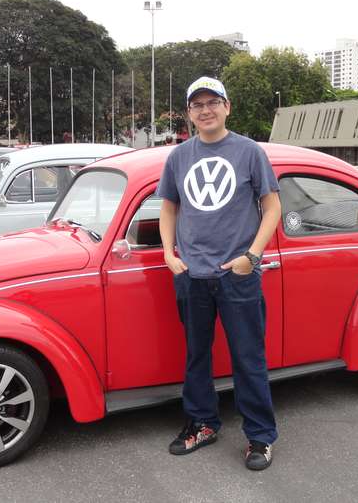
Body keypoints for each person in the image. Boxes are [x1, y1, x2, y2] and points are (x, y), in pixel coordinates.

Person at [156, 76, 282, 471]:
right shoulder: (178, 157)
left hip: (238, 274)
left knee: (248, 357)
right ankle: (202, 423)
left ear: (228, 107)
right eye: (197, 105)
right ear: (189, 112)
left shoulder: (248, 152)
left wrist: (252, 256)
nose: (205, 110)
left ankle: (260, 438)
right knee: (196, 355)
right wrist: (168, 253)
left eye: (213, 102)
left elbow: (272, 206)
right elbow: (169, 207)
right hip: (192, 273)